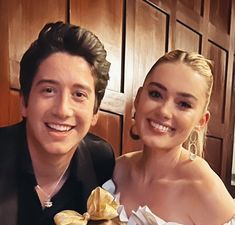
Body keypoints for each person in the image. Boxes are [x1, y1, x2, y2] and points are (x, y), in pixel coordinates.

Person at [0, 21, 115, 225]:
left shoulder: (101, 161)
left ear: (95, 111)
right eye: (48, 90)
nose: (62, 110)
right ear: (24, 102)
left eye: (79, 94)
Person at [108, 50, 235, 225]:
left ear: (201, 121)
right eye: (155, 94)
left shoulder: (204, 189)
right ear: (138, 99)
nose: (164, 111)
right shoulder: (117, 169)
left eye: (183, 104)